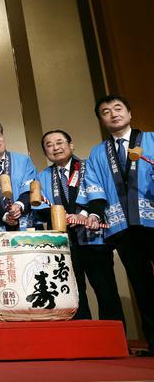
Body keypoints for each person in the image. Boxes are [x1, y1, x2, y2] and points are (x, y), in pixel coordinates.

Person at [79, 95, 154, 356]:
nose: (113, 114)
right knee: (141, 285)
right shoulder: (98, 153)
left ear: (130, 113)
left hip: (152, 220)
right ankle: (153, 342)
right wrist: (96, 214)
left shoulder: (152, 140)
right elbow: (94, 188)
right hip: (122, 227)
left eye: (118, 108)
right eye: (105, 111)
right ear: (101, 120)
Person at [36, 129, 123, 323]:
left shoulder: (89, 167)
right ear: (45, 152)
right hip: (64, 243)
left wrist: (82, 215)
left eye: (59, 142)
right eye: (49, 145)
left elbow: (101, 195)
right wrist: (60, 217)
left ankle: (114, 339)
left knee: (105, 289)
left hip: (94, 238)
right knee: (74, 293)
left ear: (71, 145)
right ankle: (85, 340)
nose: (55, 147)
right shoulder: (42, 176)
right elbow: (40, 207)